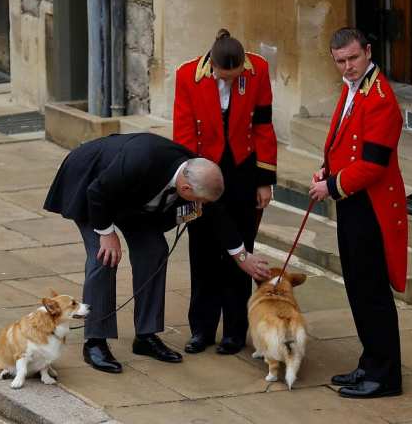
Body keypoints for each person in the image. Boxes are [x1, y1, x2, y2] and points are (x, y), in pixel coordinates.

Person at [44, 132, 226, 373]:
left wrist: (241, 254)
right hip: (90, 182)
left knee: (154, 249)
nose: (201, 205)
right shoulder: (142, 160)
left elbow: (216, 214)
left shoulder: (195, 169)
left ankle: (145, 336)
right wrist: (107, 233)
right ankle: (95, 342)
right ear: (185, 186)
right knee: (104, 256)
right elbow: (97, 192)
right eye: (199, 200)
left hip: (129, 197)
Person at [308, 27, 408, 398]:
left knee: (372, 292)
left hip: (371, 207)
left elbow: (374, 165)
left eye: (353, 58)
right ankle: (370, 362)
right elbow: (342, 142)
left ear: (367, 51)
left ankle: (385, 376)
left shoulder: (380, 97)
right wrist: (326, 169)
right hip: (353, 201)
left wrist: (330, 186)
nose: (348, 67)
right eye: (340, 62)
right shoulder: (354, 89)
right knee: (357, 287)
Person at [173, 28, 276, 355]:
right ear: (213, 66)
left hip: (243, 170)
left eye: (235, 78)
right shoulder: (187, 75)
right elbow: (183, 133)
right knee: (202, 252)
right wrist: (192, 182)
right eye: (224, 78)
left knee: (241, 248)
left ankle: (234, 331)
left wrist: (264, 180)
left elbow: (263, 125)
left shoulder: (258, 69)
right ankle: (201, 329)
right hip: (203, 168)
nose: (230, 82)